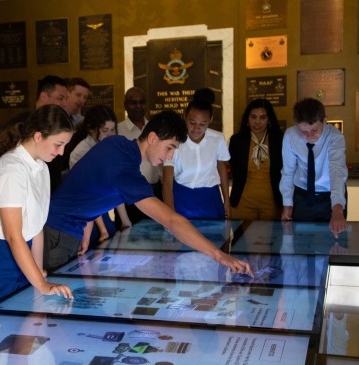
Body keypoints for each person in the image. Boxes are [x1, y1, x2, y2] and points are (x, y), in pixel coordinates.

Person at [43, 110, 252, 277]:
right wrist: (219, 255)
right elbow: (171, 221)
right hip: (58, 235)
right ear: (152, 138)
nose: (169, 156)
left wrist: (85, 226)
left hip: (58, 228)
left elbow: (86, 183)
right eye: (169, 147)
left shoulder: (116, 144)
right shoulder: (127, 172)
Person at [0, 105, 75, 304]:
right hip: (1, 256)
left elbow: (36, 228)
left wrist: (38, 274)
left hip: (25, 252)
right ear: (38, 136)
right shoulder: (10, 169)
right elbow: (13, 235)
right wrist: (41, 284)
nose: (62, 152)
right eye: (58, 144)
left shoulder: (41, 167)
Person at [280, 97, 348, 238]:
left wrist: (337, 208)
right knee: (301, 242)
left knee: (334, 242)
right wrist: (287, 203)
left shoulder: (335, 136)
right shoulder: (290, 135)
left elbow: (337, 172)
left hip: (330, 196)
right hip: (302, 195)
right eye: (304, 131)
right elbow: (288, 172)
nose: (309, 136)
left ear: (325, 121)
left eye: (315, 130)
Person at [67, 105, 131, 244]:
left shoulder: (111, 149)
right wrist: (103, 230)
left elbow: (115, 186)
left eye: (113, 130)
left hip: (104, 210)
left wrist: (125, 221)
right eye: (105, 130)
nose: (110, 134)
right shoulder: (80, 152)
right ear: (91, 130)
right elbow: (89, 194)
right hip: (85, 216)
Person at [162, 88, 231, 219]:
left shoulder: (217, 139)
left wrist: (226, 201)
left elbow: (221, 168)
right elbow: (167, 182)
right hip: (182, 198)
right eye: (192, 122)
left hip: (211, 198)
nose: (196, 128)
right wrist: (170, 214)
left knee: (214, 237)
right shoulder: (174, 140)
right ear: (184, 116)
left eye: (202, 124)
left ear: (210, 119)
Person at [229, 99, 284, 220]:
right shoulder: (237, 141)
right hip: (243, 200)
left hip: (273, 201)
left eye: (262, 117)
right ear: (247, 119)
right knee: (241, 238)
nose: (257, 122)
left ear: (269, 119)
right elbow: (234, 170)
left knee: (270, 238)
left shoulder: (280, 140)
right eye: (253, 117)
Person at [117, 87, 159, 223]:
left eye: (142, 102)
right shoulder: (117, 131)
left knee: (157, 239)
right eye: (133, 103)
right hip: (128, 197)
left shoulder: (155, 129)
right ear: (125, 105)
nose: (138, 106)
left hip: (155, 193)